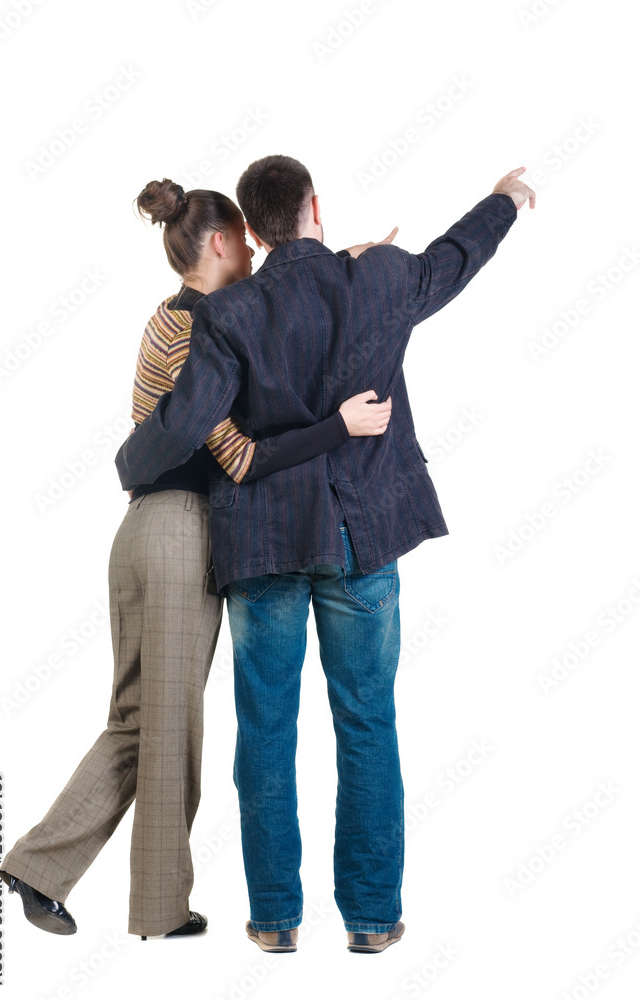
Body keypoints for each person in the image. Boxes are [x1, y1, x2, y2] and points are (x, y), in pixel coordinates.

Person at [115, 158, 535, 953]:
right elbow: (454, 257)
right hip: (360, 538)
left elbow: (183, 423)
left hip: (263, 543)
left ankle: (275, 922)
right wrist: (504, 199)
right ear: (315, 207)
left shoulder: (228, 312)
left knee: (265, 727)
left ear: (252, 229)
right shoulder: (377, 278)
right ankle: (372, 921)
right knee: (367, 720)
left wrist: (130, 464)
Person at [0, 180, 392, 941]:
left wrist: (341, 261)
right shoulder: (197, 331)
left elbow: (276, 302)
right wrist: (339, 425)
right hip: (179, 529)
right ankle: (110, 890)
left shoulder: (178, 317)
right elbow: (239, 455)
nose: (254, 254)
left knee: (143, 718)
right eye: (246, 242)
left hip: (146, 530)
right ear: (219, 243)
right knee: (168, 725)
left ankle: (71, 878)